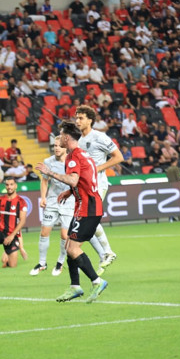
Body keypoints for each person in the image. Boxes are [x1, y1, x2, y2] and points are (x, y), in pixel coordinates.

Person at [36, 121, 108, 303]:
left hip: (88, 209)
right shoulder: (84, 154)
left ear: (67, 138)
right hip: (87, 206)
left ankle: (97, 281)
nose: (58, 138)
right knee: (69, 246)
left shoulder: (73, 157)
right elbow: (86, 180)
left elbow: (74, 180)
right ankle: (75, 286)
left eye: (60, 135)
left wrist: (50, 173)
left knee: (73, 249)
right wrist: (69, 193)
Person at [75, 105, 121, 274]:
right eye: (77, 118)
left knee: (90, 220)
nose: (77, 121)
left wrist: (98, 168)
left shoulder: (99, 137)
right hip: (83, 188)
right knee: (87, 223)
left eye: (81, 118)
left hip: (98, 185)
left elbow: (119, 157)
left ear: (90, 120)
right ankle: (104, 254)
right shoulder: (78, 141)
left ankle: (108, 252)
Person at [30, 136, 75, 277]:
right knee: (44, 232)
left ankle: (60, 262)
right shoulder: (48, 162)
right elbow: (44, 181)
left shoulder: (72, 162)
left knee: (64, 235)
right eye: (54, 145)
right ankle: (42, 263)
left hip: (68, 202)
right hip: (52, 201)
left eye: (59, 146)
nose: (56, 148)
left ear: (65, 147)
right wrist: (43, 197)